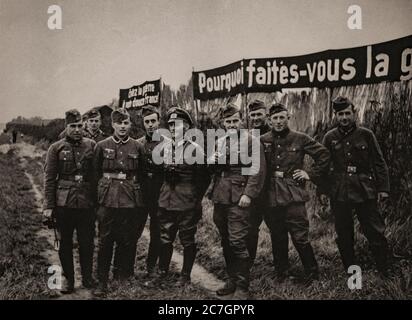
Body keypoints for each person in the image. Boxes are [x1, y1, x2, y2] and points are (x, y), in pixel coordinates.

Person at [260, 103, 330, 286]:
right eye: (274, 118)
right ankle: (282, 274)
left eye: (282, 117)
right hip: (271, 195)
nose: (278, 121)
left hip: (293, 195)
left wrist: (310, 174)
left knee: (300, 236)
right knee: (277, 235)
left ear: (288, 117)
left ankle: (312, 274)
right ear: (269, 120)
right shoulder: (263, 139)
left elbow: (323, 154)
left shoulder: (300, 138)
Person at [322, 96, 390, 276]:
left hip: (364, 189)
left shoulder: (366, 134)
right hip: (340, 191)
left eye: (347, 113)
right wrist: (323, 190)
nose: (344, 117)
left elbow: (379, 163)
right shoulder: (330, 137)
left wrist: (383, 188)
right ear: (335, 115)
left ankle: (385, 269)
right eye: (340, 114)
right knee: (344, 233)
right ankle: (352, 271)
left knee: (375, 230)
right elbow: (323, 165)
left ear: (354, 113)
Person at [208, 103, 266, 299]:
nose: (232, 125)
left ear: (242, 121)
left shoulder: (251, 141)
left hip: (239, 197)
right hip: (221, 197)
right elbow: (217, 170)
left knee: (237, 241)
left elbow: (257, 171)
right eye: (228, 121)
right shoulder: (220, 141)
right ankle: (232, 279)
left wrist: (248, 194)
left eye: (235, 120)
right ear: (223, 123)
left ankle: (243, 286)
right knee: (226, 240)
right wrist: (212, 161)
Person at [93, 109, 146, 297]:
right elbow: (94, 174)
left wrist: (141, 202)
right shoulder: (101, 146)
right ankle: (102, 280)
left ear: (130, 125)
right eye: (119, 123)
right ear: (112, 125)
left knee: (126, 239)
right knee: (105, 241)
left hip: (129, 199)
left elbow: (142, 174)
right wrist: (96, 202)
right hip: (107, 199)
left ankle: (121, 275)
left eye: (126, 123)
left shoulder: (137, 147)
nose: (123, 126)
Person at [43, 109, 97, 294]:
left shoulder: (91, 146)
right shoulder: (55, 148)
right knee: (64, 242)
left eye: (79, 126)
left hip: (86, 203)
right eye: (72, 126)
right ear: (66, 127)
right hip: (63, 203)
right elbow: (50, 179)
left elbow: (95, 176)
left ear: (84, 126)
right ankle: (68, 280)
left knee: (87, 242)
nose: (76, 130)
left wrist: (97, 202)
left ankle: (88, 278)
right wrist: (48, 207)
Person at [156, 107, 209, 284]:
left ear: (186, 126)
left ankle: (185, 275)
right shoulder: (163, 148)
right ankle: (162, 272)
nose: (173, 128)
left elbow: (203, 180)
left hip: (187, 202)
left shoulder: (195, 150)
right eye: (170, 124)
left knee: (187, 239)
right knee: (164, 238)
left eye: (177, 124)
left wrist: (195, 200)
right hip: (166, 201)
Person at [246, 99, 273, 266]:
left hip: (272, 189)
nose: (256, 117)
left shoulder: (274, 133)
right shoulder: (247, 136)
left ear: (266, 115)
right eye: (253, 114)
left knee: (277, 228)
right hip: (255, 190)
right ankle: (248, 263)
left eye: (259, 114)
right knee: (250, 228)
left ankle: (281, 268)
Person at [136, 105, 162, 276]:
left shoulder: (167, 143)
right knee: (134, 229)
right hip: (141, 193)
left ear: (159, 122)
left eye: (153, 121)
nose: (151, 124)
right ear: (143, 124)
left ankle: (151, 266)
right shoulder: (137, 144)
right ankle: (125, 266)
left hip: (160, 192)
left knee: (157, 231)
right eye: (147, 122)